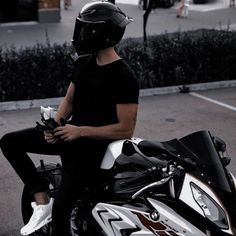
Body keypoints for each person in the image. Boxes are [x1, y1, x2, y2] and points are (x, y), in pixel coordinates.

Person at [0, 1, 139, 236]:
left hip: (91, 149)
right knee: (9, 142)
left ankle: (55, 211)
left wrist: (81, 131)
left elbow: (125, 130)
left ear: (101, 33)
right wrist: (53, 125)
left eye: (86, 28)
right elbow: (69, 100)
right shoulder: (83, 63)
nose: (81, 33)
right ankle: (42, 197)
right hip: (69, 134)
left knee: (62, 211)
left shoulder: (123, 77)